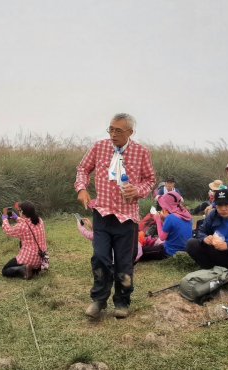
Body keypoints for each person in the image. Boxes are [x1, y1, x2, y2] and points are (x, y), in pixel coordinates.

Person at [75, 113, 156, 319]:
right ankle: (99, 300)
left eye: (118, 130)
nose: (113, 134)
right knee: (100, 257)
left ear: (130, 132)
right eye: (110, 129)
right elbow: (83, 169)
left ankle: (122, 301)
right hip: (102, 213)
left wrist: (137, 190)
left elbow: (150, 180)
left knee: (124, 262)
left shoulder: (141, 152)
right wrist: (81, 189)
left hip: (127, 219)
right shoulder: (99, 147)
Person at [139, 192, 193, 260]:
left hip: (171, 252)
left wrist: (158, 220)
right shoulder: (187, 215)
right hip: (185, 250)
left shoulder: (170, 218)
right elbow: (172, 229)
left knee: (141, 251)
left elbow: (162, 237)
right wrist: (163, 220)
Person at [1, 201, 47, 279]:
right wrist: (16, 217)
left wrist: (5, 218)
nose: (19, 212)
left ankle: (23, 269)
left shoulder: (22, 226)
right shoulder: (39, 220)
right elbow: (27, 223)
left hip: (29, 258)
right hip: (41, 260)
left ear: (22, 212)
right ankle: (33, 270)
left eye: (19, 211)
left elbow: (8, 231)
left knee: (5, 270)